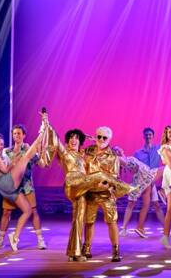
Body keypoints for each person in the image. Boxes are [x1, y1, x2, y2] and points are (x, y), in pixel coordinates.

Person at [37, 110, 111, 262]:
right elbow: (55, 138)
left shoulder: (84, 155)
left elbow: (100, 151)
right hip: (72, 184)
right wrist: (46, 122)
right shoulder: (65, 153)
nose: (73, 140)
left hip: (83, 188)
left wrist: (96, 141)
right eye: (71, 137)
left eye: (76, 138)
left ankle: (73, 252)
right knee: (96, 180)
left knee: (78, 218)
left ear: (80, 141)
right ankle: (75, 252)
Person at [0, 124, 47, 251]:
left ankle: (40, 239)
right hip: (12, 187)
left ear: (24, 135)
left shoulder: (28, 149)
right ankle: (0, 240)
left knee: (33, 211)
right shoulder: (6, 152)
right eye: (14, 133)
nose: (17, 136)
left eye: (19, 133)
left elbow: (42, 165)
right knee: (6, 212)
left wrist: (40, 152)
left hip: (26, 186)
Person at [83, 126, 135, 262]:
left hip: (107, 194)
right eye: (99, 136)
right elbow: (82, 168)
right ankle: (86, 247)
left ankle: (116, 250)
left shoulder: (113, 156)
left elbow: (114, 176)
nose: (101, 139)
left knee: (111, 222)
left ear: (109, 139)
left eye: (104, 137)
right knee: (88, 222)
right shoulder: (88, 151)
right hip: (90, 192)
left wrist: (105, 185)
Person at [123, 127, 165, 238]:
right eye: (146, 135)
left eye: (150, 134)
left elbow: (167, 136)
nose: (148, 136)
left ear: (153, 136)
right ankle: (125, 228)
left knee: (154, 204)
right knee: (132, 203)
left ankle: (164, 229)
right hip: (141, 181)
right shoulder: (138, 153)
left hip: (151, 181)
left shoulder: (158, 149)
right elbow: (133, 169)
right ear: (143, 136)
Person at [114, 146, 158, 239]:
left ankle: (140, 227)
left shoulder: (127, 157)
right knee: (131, 203)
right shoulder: (118, 159)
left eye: (119, 148)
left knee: (146, 203)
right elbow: (132, 167)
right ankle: (126, 228)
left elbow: (133, 166)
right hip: (142, 178)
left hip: (145, 176)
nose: (118, 150)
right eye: (115, 150)